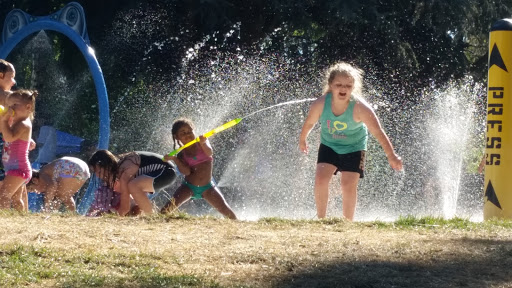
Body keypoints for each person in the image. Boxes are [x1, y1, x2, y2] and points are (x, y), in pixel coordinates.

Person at [299, 62, 403, 221]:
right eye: (339, 84)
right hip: (329, 145)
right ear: (331, 85)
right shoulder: (320, 104)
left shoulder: (361, 108)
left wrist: (391, 155)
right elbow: (309, 123)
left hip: (354, 148)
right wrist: (302, 138)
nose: (343, 88)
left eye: (348, 85)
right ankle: (321, 219)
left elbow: (378, 132)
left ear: (353, 87)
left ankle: (347, 223)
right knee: (321, 179)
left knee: (347, 185)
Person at [160, 118, 237, 220]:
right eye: (183, 133)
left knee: (226, 211)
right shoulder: (181, 154)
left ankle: (238, 228)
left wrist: (204, 143)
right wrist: (175, 159)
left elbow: (209, 152)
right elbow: (186, 172)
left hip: (208, 188)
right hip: (188, 187)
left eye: (189, 131)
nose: (187, 134)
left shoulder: (203, 143)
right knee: (166, 210)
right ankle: (154, 225)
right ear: (177, 137)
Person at [87, 149, 177, 216]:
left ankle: (151, 216)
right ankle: (151, 214)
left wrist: (117, 216)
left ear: (107, 165)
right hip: (160, 172)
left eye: (99, 172)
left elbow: (125, 207)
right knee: (132, 187)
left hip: (167, 171)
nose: (98, 176)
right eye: (95, 173)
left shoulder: (123, 169)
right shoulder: (118, 168)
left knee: (133, 186)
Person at [0, 89, 37, 210]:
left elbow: (9, 137)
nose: (11, 108)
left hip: (19, 169)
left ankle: (4, 219)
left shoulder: (23, 124)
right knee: (16, 199)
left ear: (28, 107)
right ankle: (21, 218)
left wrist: (4, 120)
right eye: (9, 105)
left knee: (3, 196)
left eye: (15, 105)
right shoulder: (16, 123)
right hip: (14, 168)